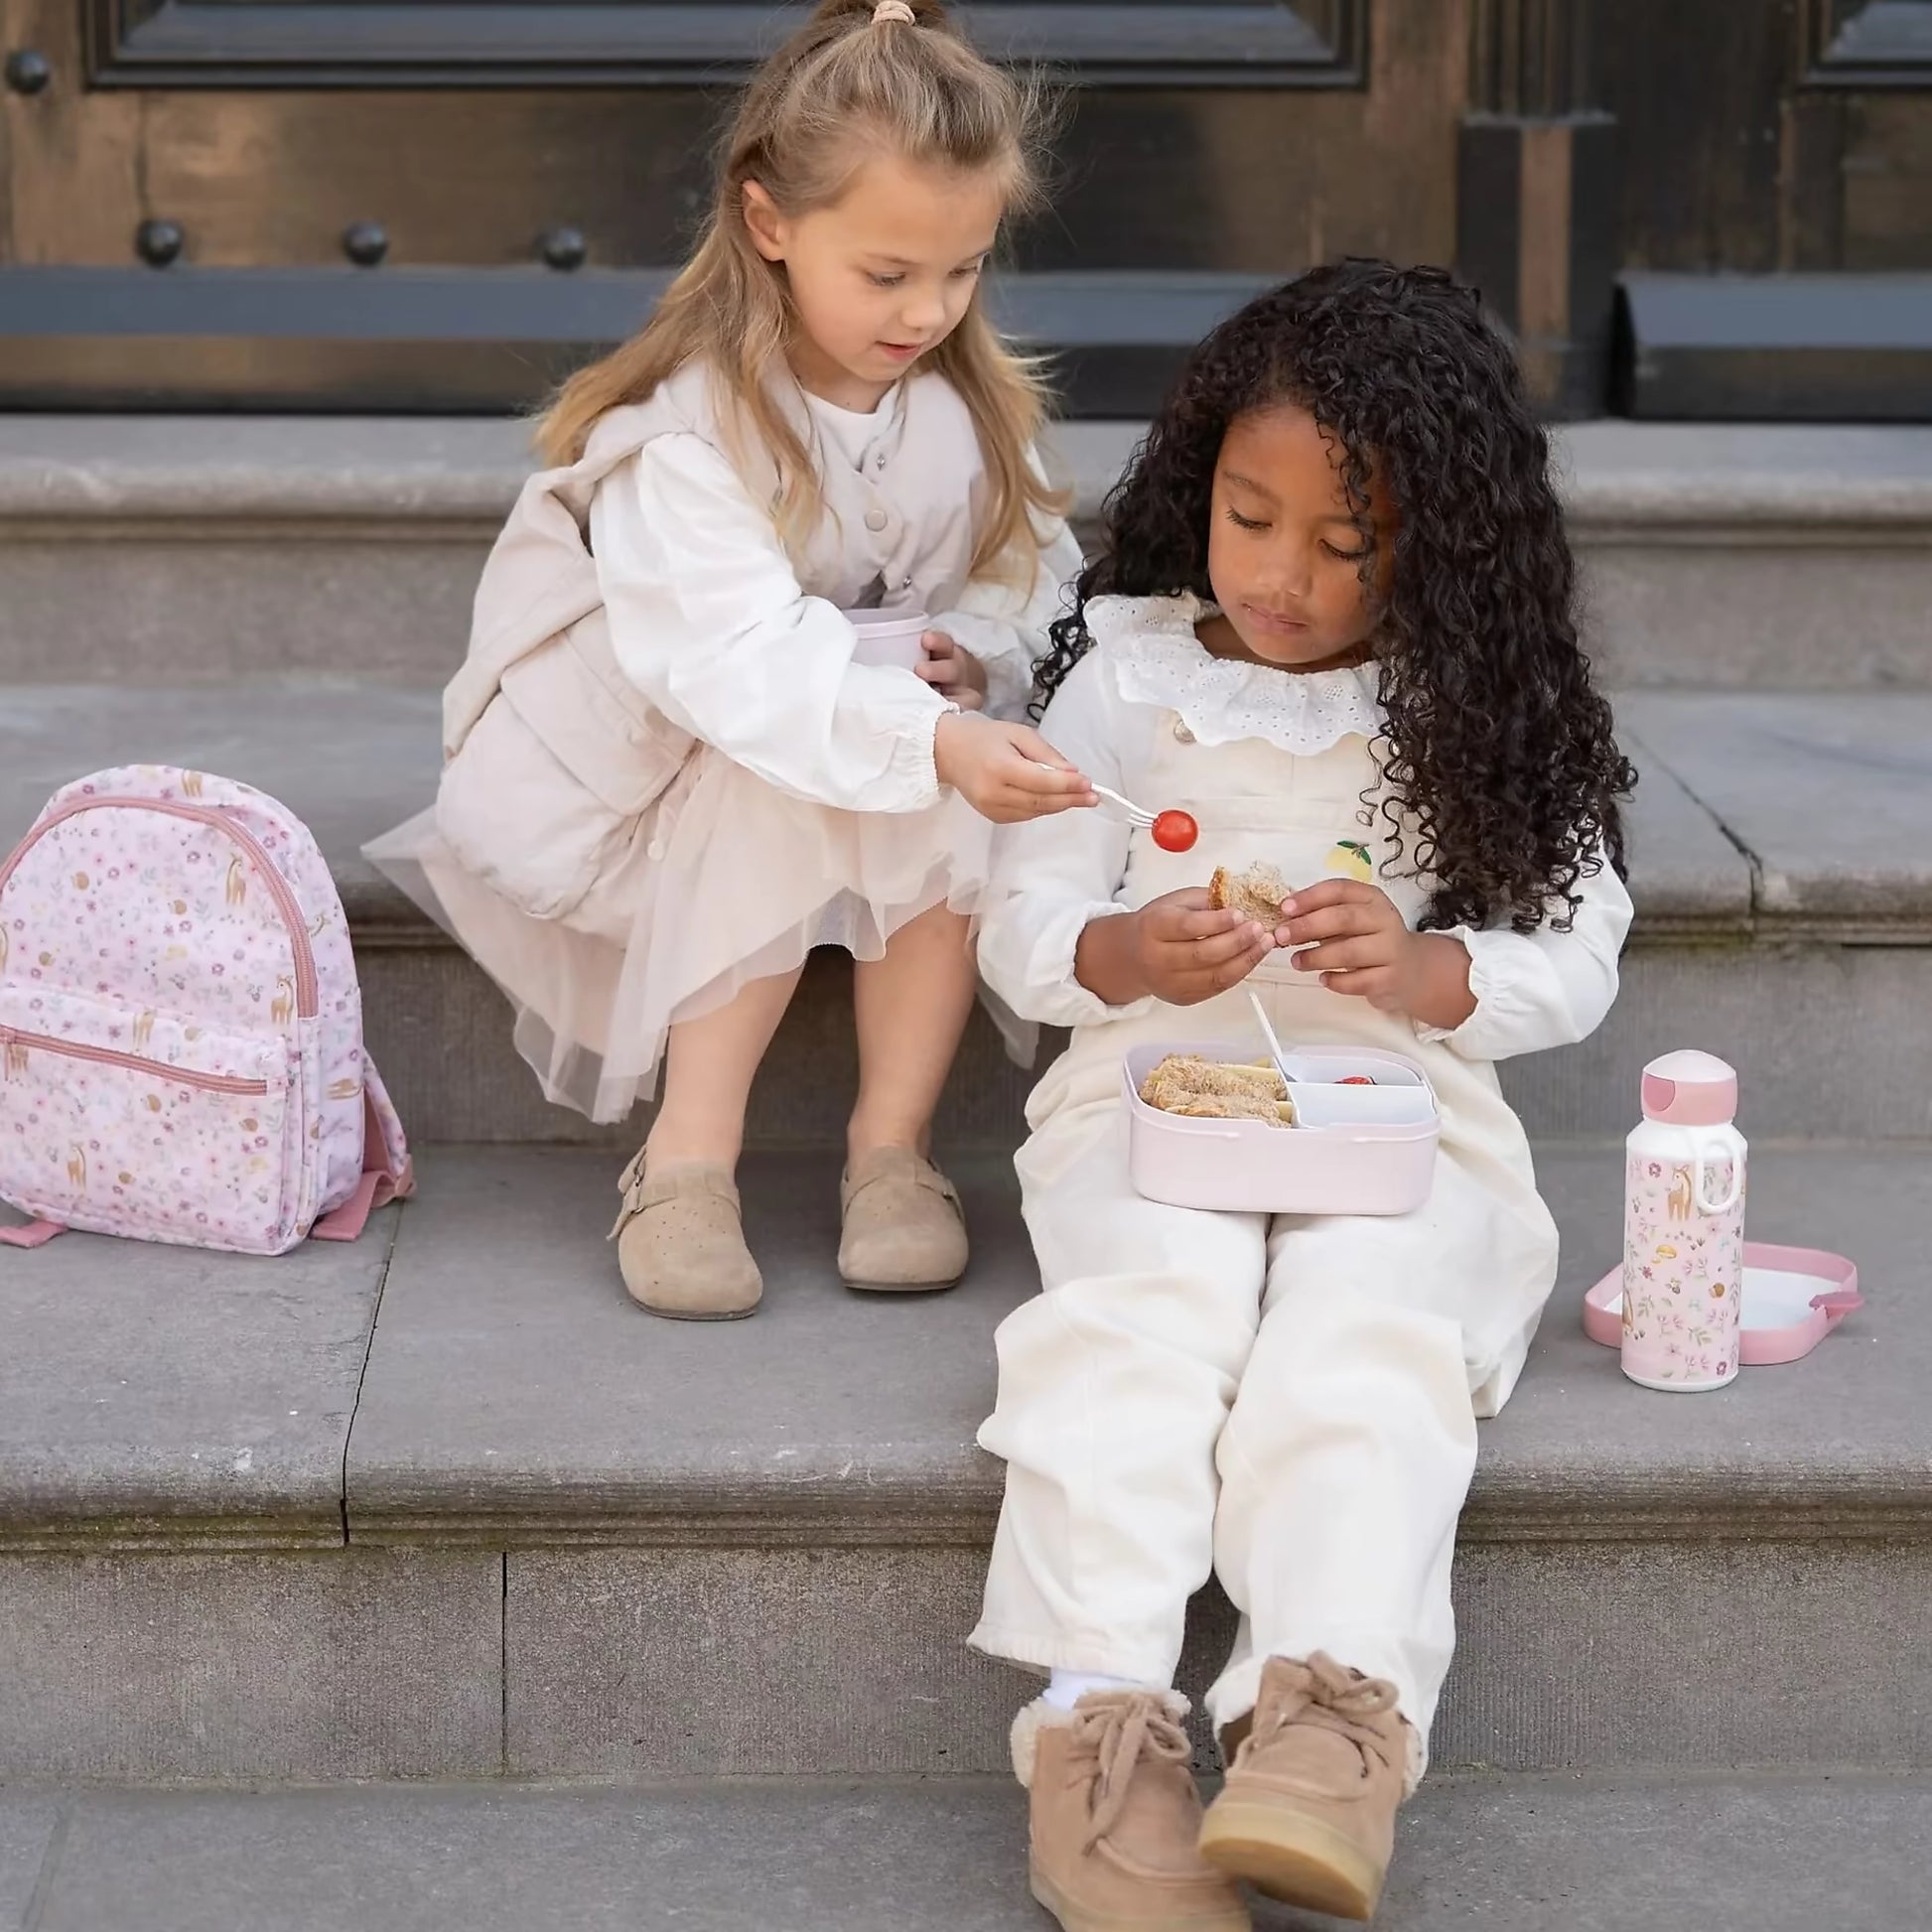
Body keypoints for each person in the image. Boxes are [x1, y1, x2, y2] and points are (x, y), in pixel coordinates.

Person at [969, 260, 1638, 1929]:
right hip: (1151, 1081)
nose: (1280, 577)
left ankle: (1325, 1726)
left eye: (1348, 545)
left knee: (1365, 1332)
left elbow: (1573, 946)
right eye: (1248, 518)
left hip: (1391, 1093)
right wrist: (1126, 949)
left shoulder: (1469, 699)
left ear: (1442, 548)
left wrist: (1426, 968)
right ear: (1199, 482)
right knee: (1137, 1323)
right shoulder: (1129, 679)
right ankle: (1098, 1732)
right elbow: (1022, 919)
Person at [367, 0, 1091, 1320]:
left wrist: (974, 662)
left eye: (962, 271)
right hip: (651, 770)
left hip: (846, 732)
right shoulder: (690, 435)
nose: (928, 311)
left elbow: (1028, 577)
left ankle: (892, 1149)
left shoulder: (967, 412)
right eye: (888, 274)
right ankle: (687, 1160)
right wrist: (924, 733)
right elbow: (735, 660)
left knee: (939, 772)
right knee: (789, 763)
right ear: (770, 224)